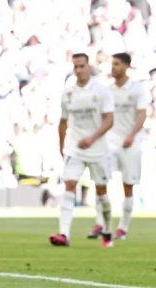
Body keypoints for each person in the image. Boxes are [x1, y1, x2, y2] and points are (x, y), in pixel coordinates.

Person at [49, 53, 115, 248]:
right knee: (69, 185)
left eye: (82, 66)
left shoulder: (102, 91)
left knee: (102, 192)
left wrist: (92, 138)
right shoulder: (68, 93)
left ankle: (107, 231)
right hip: (75, 148)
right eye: (75, 67)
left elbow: (109, 120)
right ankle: (64, 233)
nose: (78, 70)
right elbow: (63, 122)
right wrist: (62, 146)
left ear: (89, 67)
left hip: (98, 149)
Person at [91, 52, 148, 241]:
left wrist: (131, 136)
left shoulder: (137, 89)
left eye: (116, 64)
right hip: (109, 141)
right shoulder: (107, 90)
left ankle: (123, 226)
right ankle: (100, 222)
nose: (113, 67)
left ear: (125, 66)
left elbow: (142, 114)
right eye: (112, 64)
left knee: (128, 185)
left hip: (130, 142)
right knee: (101, 182)